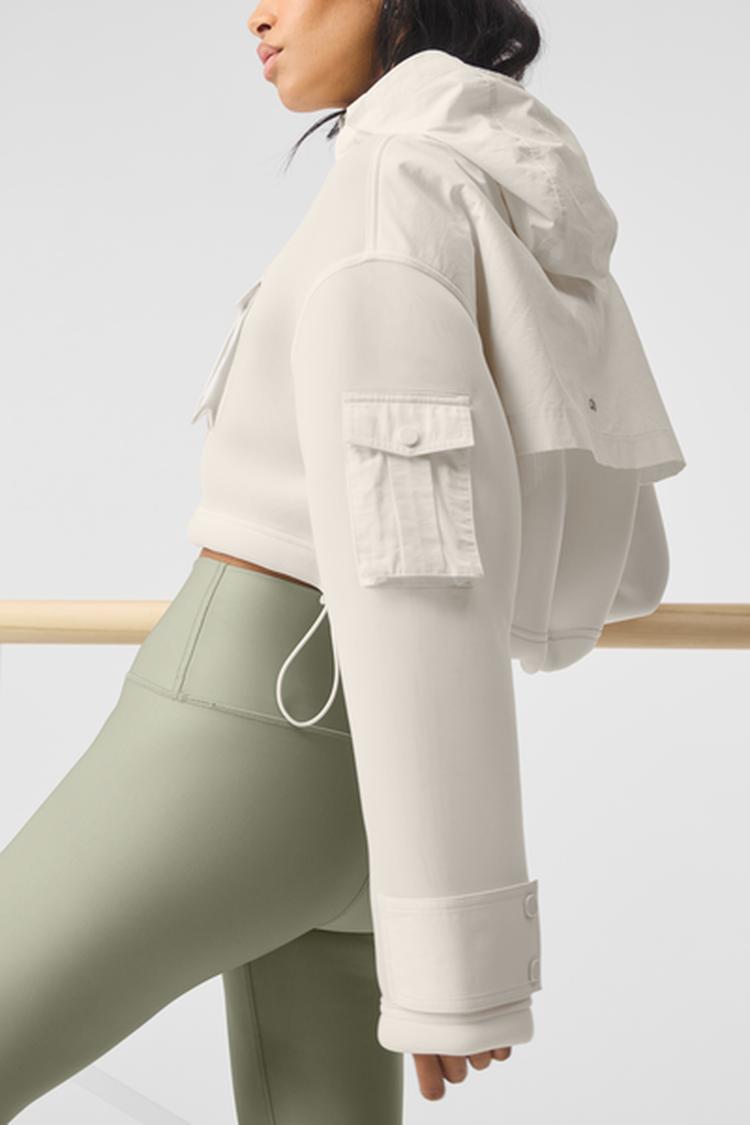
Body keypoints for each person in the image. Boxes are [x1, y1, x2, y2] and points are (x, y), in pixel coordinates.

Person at [0, 1, 686, 1121]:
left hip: (240, 735)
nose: (258, 13)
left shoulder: (389, 193)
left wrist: (456, 966)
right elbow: (606, 560)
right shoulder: (501, 189)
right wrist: (445, 930)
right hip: (364, 786)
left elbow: (414, 573)